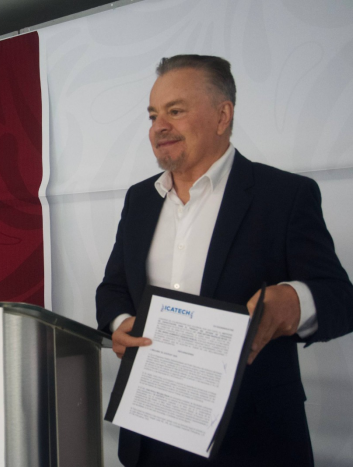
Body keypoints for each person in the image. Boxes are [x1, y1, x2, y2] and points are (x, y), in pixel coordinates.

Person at [96, 55, 353, 467]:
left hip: (251, 440)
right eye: (153, 115)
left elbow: (340, 298)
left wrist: (292, 301)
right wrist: (121, 323)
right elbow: (113, 288)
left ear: (222, 115)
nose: (159, 127)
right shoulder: (139, 199)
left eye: (175, 111)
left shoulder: (284, 195)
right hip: (149, 432)